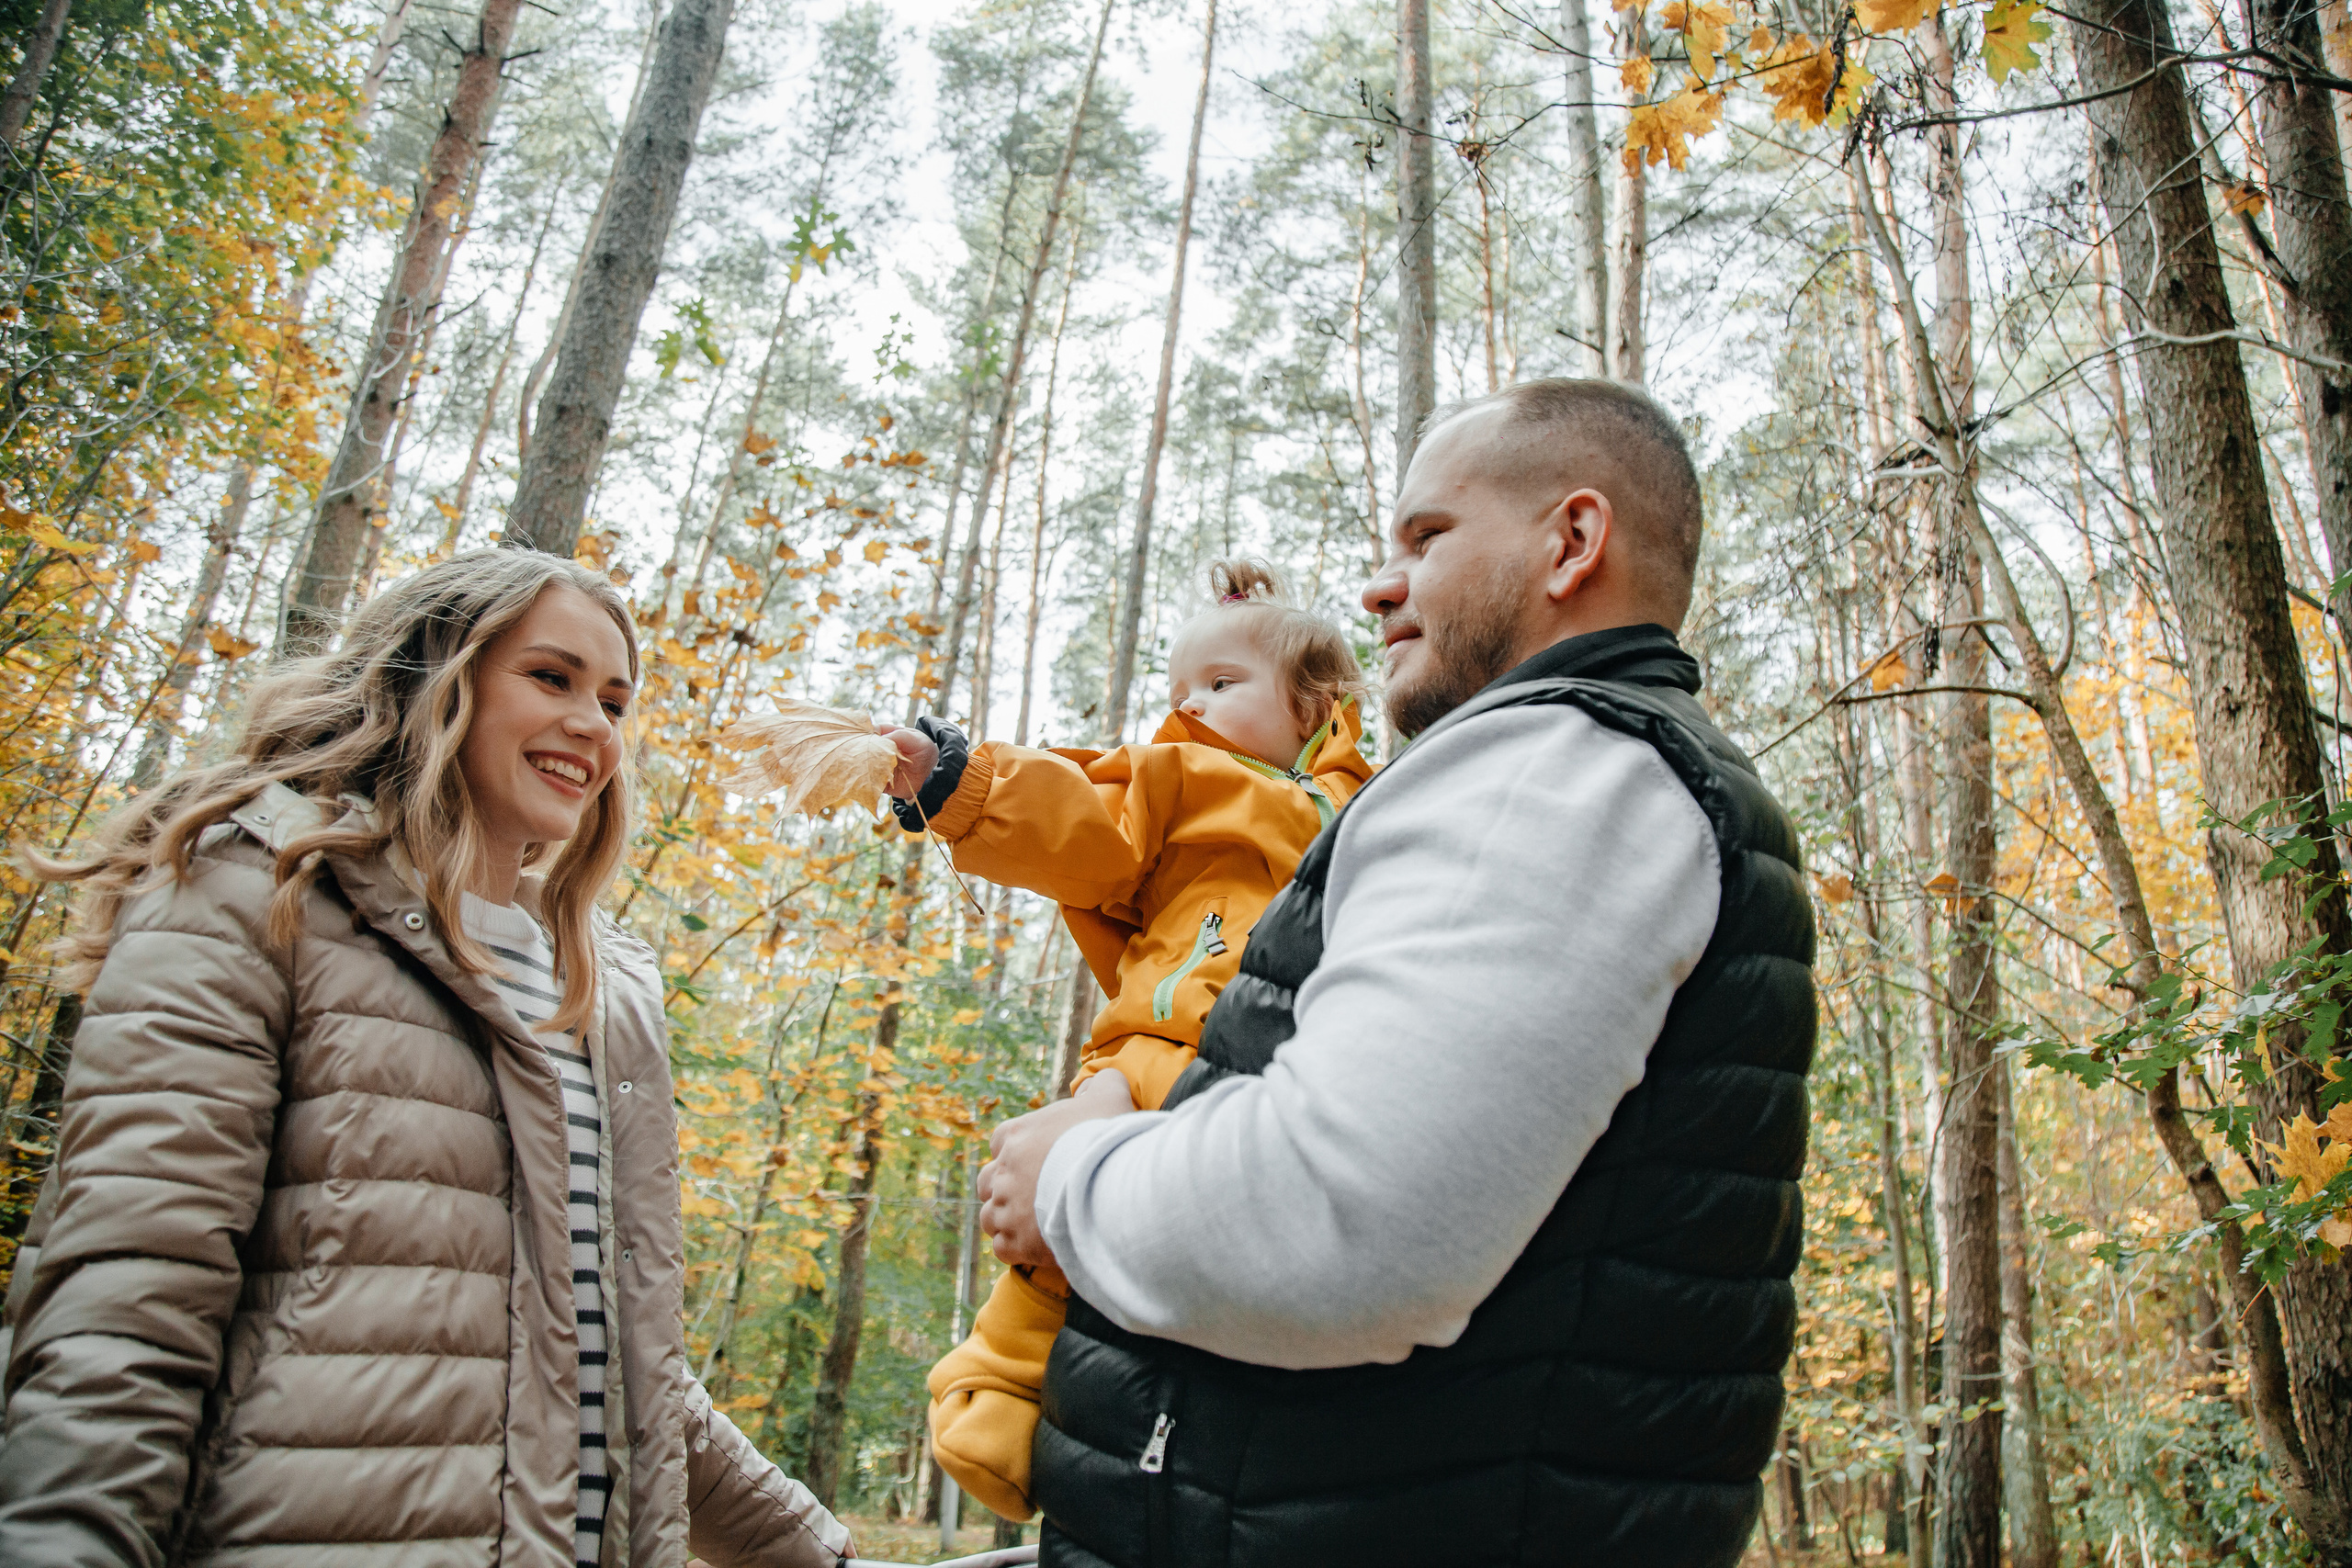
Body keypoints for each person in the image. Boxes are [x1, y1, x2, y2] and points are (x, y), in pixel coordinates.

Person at [975, 378, 1816, 1567]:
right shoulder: (1599, 770)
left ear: (1573, 540)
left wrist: (1068, 1174)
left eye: (1427, 537)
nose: (1379, 586)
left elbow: (1333, 1220)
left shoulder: (1560, 766)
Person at [0, 551, 854, 1567]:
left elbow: (624, 1368)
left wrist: (825, 1557)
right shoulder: (256, 894)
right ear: (432, 676)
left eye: (615, 703)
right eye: (552, 676)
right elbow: (129, 1302)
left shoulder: (599, 987)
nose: (593, 725)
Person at [878, 560, 1373, 1524]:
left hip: (1299, 1074)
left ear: (1315, 705)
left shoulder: (1373, 807)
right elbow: (1080, 816)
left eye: (1220, 683)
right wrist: (954, 780)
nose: (1188, 705)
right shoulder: (1180, 780)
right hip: (1164, 1040)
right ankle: (1001, 1379)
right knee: (1070, 1206)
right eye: (1178, 687)